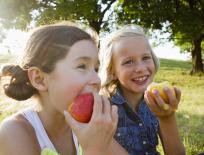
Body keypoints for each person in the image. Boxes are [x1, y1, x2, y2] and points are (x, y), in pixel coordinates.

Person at [0, 23, 128, 155]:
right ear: (39, 79)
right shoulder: (14, 131)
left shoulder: (88, 127)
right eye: (82, 66)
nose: (97, 80)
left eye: (96, 69)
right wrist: (94, 149)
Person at [99, 25, 186, 155]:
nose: (140, 68)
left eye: (145, 58)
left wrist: (168, 117)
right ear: (112, 71)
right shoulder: (104, 108)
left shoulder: (157, 101)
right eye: (128, 62)